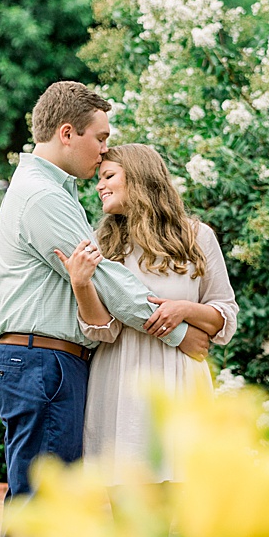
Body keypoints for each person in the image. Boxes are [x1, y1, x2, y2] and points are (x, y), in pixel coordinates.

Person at [0, 81, 212, 537]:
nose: (102, 150)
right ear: (67, 134)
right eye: (99, 137)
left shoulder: (49, 190)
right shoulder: (43, 196)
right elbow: (107, 279)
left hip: (47, 362)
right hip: (41, 362)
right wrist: (181, 333)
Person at [56, 143, 239, 484]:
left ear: (140, 178)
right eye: (99, 178)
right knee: (127, 510)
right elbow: (103, 330)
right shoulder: (102, 244)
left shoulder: (197, 237)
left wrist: (183, 309)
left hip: (180, 382)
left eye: (109, 176)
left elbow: (224, 315)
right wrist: (81, 285)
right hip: (119, 383)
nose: (99, 186)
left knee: (182, 505)